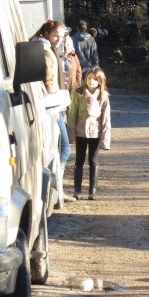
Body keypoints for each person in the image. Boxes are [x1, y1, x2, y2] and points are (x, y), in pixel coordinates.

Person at [32, 19, 74, 207]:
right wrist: (58, 97)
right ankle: (56, 190)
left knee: (58, 150)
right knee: (63, 148)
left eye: (61, 36)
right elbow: (49, 81)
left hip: (50, 105)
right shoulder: (45, 50)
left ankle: (57, 191)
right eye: (56, 35)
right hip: (50, 106)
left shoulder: (45, 47)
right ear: (47, 33)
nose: (59, 39)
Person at [68, 66, 111, 200]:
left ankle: (92, 191)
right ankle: (77, 190)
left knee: (93, 160)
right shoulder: (79, 94)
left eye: (95, 79)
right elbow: (72, 114)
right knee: (79, 160)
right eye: (89, 78)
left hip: (95, 133)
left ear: (100, 81)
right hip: (81, 131)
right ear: (85, 79)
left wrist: (105, 139)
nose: (91, 81)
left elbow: (106, 119)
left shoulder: (103, 96)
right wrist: (71, 132)